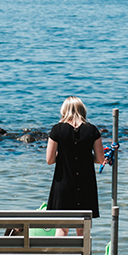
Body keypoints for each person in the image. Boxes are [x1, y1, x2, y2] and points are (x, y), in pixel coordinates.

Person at [46, 96, 104, 236]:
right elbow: (100, 158)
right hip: (86, 184)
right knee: (83, 227)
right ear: (82, 110)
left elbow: (49, 159)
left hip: (63, 185)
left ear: (64, 111)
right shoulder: (92, 130)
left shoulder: (57, 130)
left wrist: (64, 156)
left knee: (62, 228)